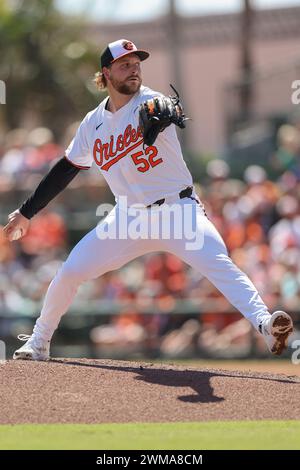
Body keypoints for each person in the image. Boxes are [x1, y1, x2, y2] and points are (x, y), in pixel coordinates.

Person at [4, 39, 293, 361]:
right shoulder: (92, 123)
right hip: (127, 217)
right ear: (106, 72)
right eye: (125, 65)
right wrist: (27, 212)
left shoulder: (151, 102)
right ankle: (39, 341)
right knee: (71, 271)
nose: (133, 70)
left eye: (137, 64)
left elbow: (167, 108)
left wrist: (170, 112)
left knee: (219, 264)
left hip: (178, 210)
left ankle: (266, 325)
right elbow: (67, 169)